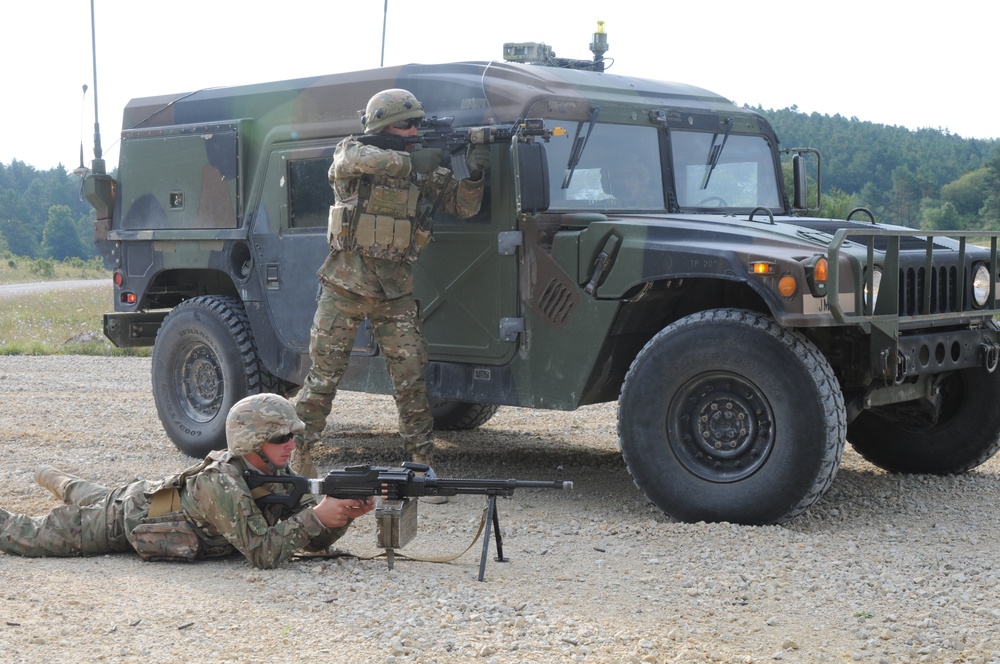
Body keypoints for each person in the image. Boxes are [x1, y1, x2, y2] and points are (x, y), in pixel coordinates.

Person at [292, 88, 489, 483]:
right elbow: (353, 158)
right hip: (344, 286)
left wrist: (477, 171)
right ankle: (298, 456)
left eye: (418, 123)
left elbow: (464, 206)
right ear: (382, 125)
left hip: (394, 291)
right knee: (323, 379)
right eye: (407, 124)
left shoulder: (421, 169)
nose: (415, 130)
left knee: (411, 380)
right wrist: (412, 160)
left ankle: (421, 462)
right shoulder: (352, 153)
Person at [0, 394, 374, 568]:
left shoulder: (276, 473)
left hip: (141, 497)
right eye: (281, 438)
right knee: (27, 536)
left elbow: (311, 538)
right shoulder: (221, 483)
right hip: (122, 519)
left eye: (293, 435)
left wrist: (340, 515)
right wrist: (318, 516)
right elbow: (263, 553)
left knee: (81, 491)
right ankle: (54, 480)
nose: (291, 444)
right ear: (251, 443)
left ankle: (54, 477)